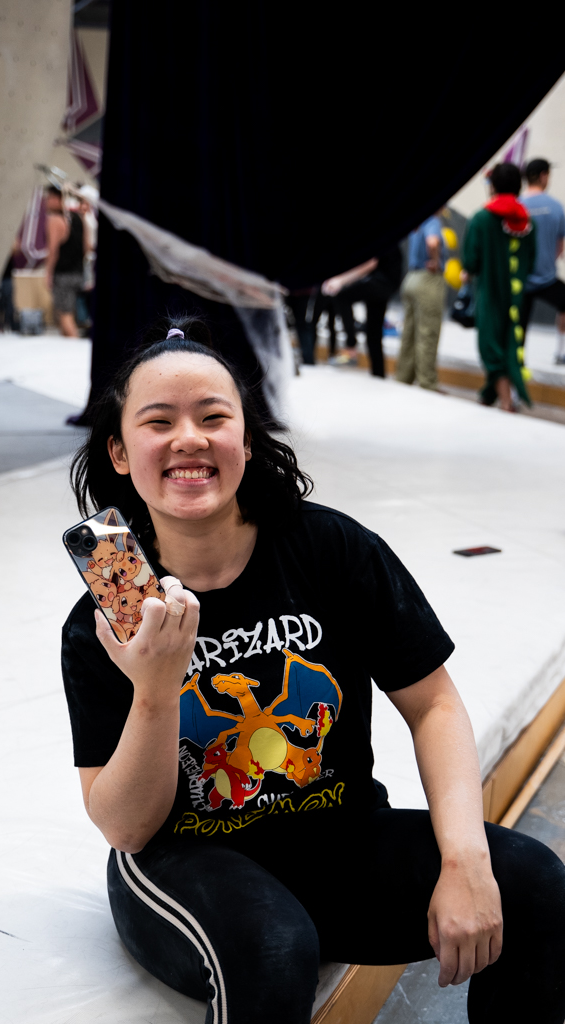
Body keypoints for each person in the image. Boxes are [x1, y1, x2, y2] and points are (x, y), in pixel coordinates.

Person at [60, 316, 565, 1024]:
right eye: (158, 421)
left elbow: (434, 705)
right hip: (185, 864)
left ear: (245, 438)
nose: (188, 438)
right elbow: (126, 828)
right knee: (273, 947)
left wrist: (464, 860)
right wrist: (153, 690)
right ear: (119, 451)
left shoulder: (330, 550)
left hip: (336, 837)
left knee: (533, 881)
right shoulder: (106, 621)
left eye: (213, 417)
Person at [462, 163, 536, 411]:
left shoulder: (482, 219)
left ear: (493, 186)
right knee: (508, 343)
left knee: (490, 346)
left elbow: (471, 262)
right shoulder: (528, 222)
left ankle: (506, 401)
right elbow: (532, 260)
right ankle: (488, 395)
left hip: (490, 294)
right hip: (517, 296)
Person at [322, 247, 402, 377]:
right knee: (373, 332)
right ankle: (378, 373)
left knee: (342, 297)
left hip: (380, 281)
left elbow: (370, 263)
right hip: (386, 283)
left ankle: (351, 347)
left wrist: (341, 280)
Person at [519, 158, 565, 363]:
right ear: (543, 176)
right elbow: (560, 247)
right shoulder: (556, 207)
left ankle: (516, 364)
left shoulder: (518, 205)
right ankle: (561, 351)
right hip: (547, 277)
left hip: (521, 279)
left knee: (519, 325)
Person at [396, 212, 446, 390]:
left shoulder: (417, 218)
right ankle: (427, 382)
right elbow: (432, 242)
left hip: (411, 278)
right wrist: (436, 260)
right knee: (427, 333)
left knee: (409, 334)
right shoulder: (432, 220)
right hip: (428, 279)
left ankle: (403, 377)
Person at [45, 186, 89, 338]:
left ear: (58, 199)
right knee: (68, 315)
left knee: (65, 316)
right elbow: (86, 247)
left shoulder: (55, 220)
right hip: (78, 273)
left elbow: (53, 250)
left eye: (49, 198)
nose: (47, 202)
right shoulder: (79, 219)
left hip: (63, 274)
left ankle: (75, 348)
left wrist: (48, 274)